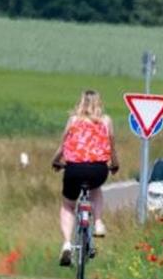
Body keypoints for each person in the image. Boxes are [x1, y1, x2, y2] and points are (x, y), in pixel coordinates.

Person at [51, 89, 119, 266]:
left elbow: (63, 146)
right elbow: (111, 147)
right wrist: (115, 164)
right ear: (99, 103)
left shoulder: (74, 121)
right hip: (98, 170)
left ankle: (67, 244)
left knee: (67, 204)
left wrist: (55, 161)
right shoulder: (106, 121)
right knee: (95, 188)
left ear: (81, 102)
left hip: (74, 169)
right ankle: (97, 223)